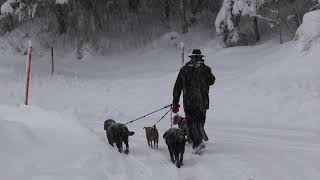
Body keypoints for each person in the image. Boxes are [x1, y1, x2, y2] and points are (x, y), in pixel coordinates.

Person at [171, 49, 215, 154]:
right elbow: (212, 81)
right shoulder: (206, 69)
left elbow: (178, 86)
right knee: (199, 122)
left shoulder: (185, 70)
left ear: (191, 58)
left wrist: (175, 101)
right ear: (201, 58)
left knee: (191, 123)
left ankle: (197, 143)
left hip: (189, 101)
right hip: (202, 101)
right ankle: (198, 140)